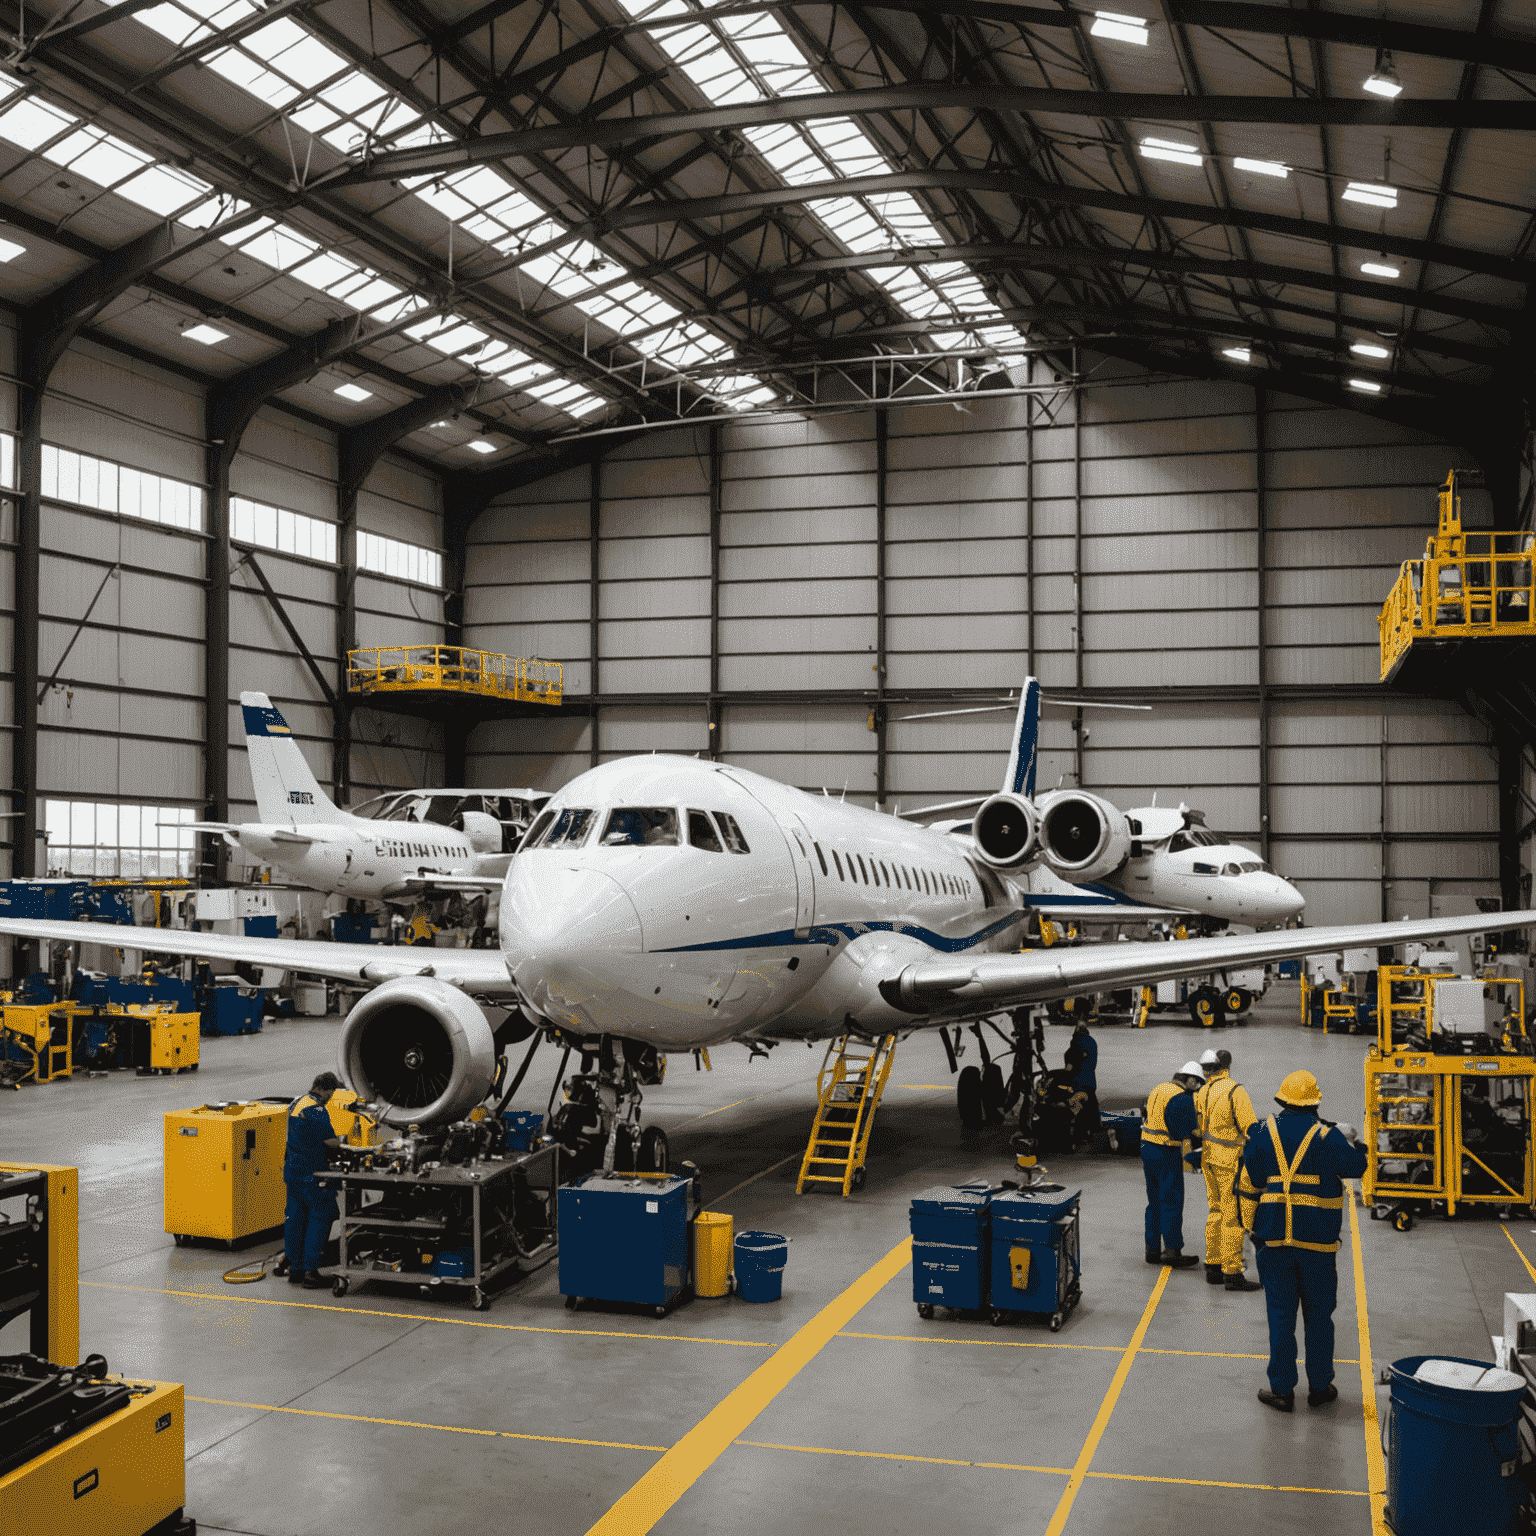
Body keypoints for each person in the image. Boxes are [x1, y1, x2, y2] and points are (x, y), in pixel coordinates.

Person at [1238, 1069, 1368, 1412]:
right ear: (1315, 1103)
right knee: (1319, 1318)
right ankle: (1321, 1388)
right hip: (1317, 1245)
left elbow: (1249, 1182)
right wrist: (1359, 1144)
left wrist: (1250, 1231)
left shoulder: (1263, 1134)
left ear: (1282, 1100)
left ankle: (1281, 1391)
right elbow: (1356, 1168)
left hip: (1274, 1242)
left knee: (1281, 1317)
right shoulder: (1328, 1136)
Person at [1194, 1048, 1261, 1292]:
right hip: (1229, 1161)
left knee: (1215, 1211)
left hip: (1208, 1159)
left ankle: (1213, 1266)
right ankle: (1232, 1272)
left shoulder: (1202, 1092)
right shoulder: (1235, 1091)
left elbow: (1199, 1126)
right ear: (1228, 1067)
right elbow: (1250, 1129)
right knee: (1232, 1217)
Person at [1142, 1061, 1206, 1268]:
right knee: (1171, 1200)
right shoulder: (1182, 1098)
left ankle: (1152, 1250)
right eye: (1197, 1083)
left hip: (1147, 1148)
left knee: (1154, 1201)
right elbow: (1185, 1130)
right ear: (1190, 1079)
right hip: (1166, 1151)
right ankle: (1172, 1250)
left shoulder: (1159, 1088)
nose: (1196, 1088)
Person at [284, 1071, 342, 1289]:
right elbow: (330, 1141)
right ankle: (311, 1271)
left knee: (295, 1219)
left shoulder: (296, 1103)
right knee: (321, 1217)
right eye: (331, 1093)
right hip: (313, 1175)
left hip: (293, 1172)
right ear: (326, 1089)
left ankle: (296, 1269)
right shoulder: (316, 1109)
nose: (331, 1097)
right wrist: (347, 1142)